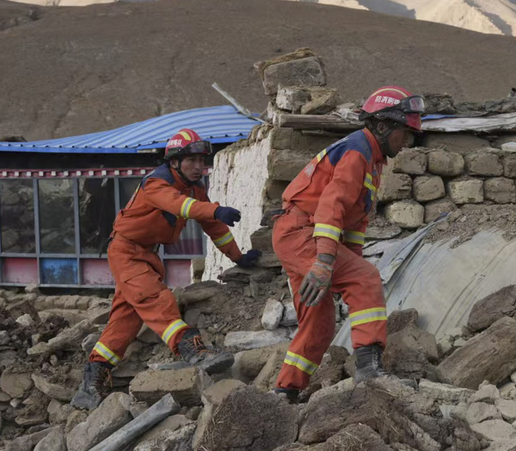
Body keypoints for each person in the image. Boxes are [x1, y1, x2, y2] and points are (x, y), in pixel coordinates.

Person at [71, 128, 260, 410]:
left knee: (126, 319)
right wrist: (214, 209)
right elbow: (181, 206)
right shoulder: (157, 184)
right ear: (174, 162)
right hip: (126, 252)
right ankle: (192, 350)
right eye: (191, 160)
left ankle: (92, 382)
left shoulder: (194, 189)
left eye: (201, 161)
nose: (199, 167)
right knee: (156, 299)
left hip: (146, 254)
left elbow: (214, 228)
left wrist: (237, 257)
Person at [271, 86, 425, 401]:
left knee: (320, 324)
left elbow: (354, 222)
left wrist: (345, 264)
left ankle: (284, 391)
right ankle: (369, 372)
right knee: (366, 277)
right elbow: (331, 207)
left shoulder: (372, 158)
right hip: (303, 232)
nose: (407, 140)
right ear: (382, 126)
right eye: (404, 132)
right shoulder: (358, 152)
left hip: (300, 233)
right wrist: (327, 262)